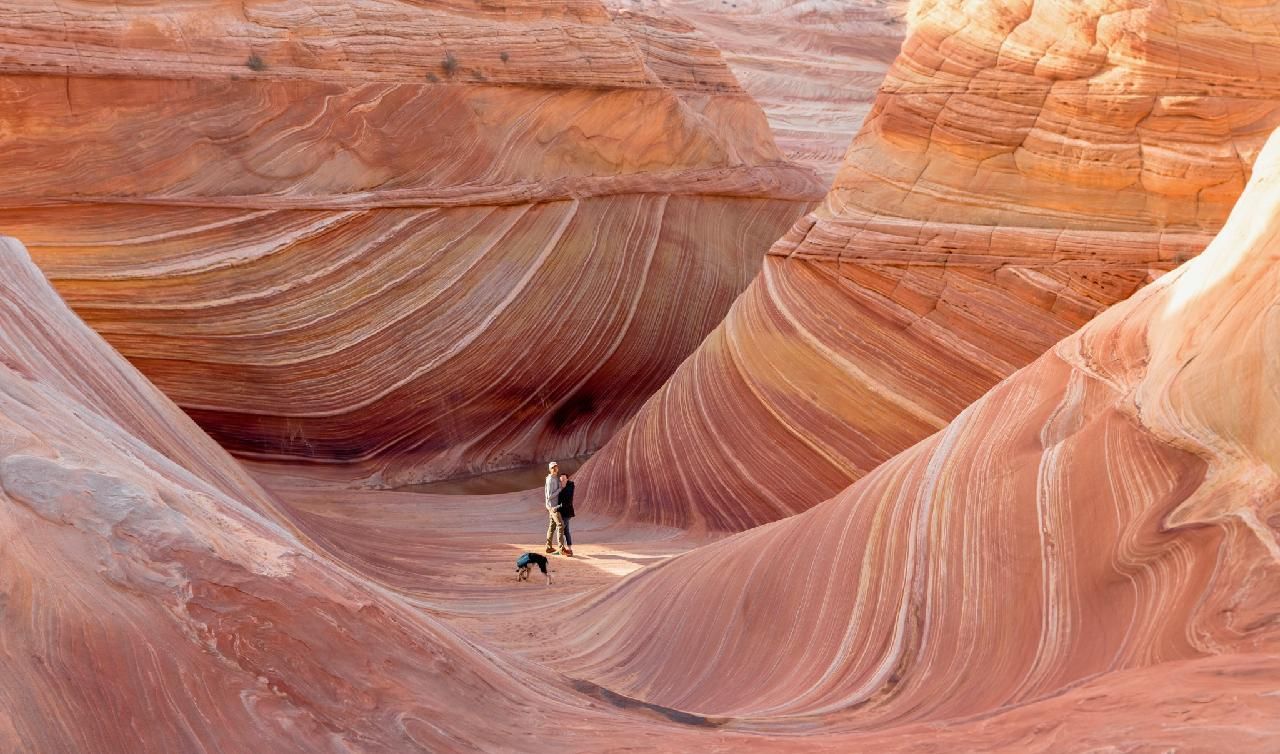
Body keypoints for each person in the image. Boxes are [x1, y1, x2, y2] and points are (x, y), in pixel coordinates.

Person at [544, 461, 568, 555]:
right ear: (550, 469)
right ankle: (561, 549)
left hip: (552, 505)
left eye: (556, 467)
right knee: (560, 525)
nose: (555, 469)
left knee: (552, 526)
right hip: (553, 507)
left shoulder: (554, 478)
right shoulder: (551, 480)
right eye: (553, 468)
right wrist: (560, 489)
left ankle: (548, 547)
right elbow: (549, 496)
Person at [557, 473, 575, 557]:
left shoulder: (570, 487)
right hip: (561, 512)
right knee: (565, 530)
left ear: (567, 479)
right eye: (561, 479)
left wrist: (557, 506)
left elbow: (568, 501)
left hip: (567, 512)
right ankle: (567, 549)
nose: (563, 480)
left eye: (564, 478)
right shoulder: (560, 487)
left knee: (564, 530)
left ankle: (567, 550)